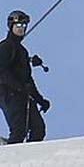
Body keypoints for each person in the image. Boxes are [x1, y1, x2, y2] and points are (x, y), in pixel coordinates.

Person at [0, 11, 49, 145]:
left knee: (38, 128)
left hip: (23, 95)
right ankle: (8, 157)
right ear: (11, 26)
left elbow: (28, 80)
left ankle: (28, 156)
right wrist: (19, 87)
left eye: (24, 25)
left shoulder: (22, 51)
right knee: (19, 130)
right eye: (18, 24)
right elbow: (1, 72)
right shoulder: (5, 47)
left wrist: (40, 100)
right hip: (8, 94)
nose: (21, 28)